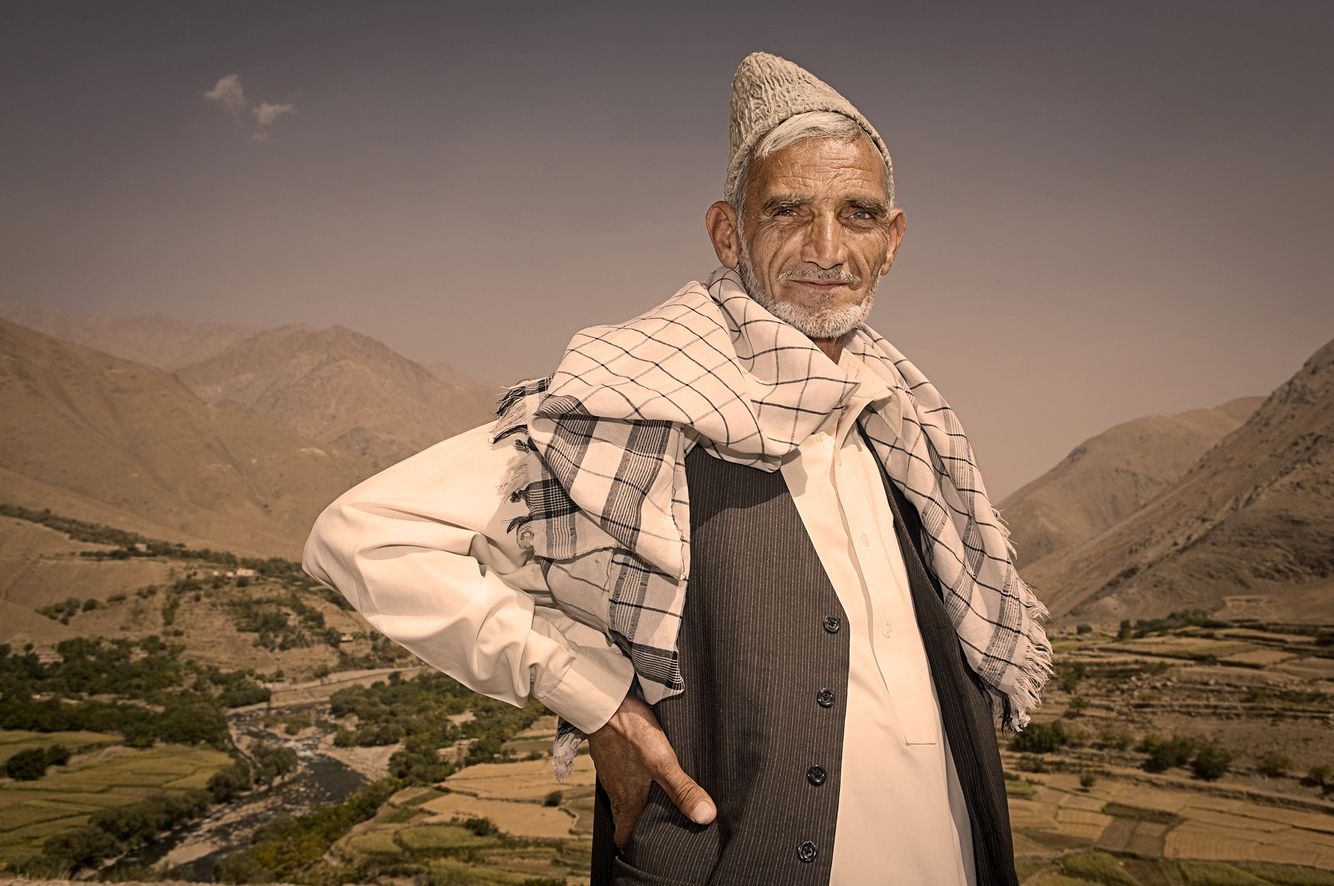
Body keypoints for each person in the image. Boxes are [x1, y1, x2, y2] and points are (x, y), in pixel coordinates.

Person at [302, 51, 1052, 886]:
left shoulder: (904, 424)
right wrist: (592, 700)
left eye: (859, 214)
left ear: (893, 240)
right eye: (788, 210)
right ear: (729, 233)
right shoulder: (638, 402)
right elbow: (360, 536)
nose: (827, 246)